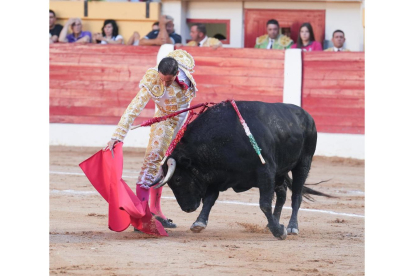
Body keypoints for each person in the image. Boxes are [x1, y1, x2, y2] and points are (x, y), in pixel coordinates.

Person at [107, 49, 198, 229]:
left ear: (177, 73)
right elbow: (134, 108)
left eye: (169, 80)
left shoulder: (182, 64)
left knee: (171, 166)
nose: (164, 83)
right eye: (162, 79)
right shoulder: (152, 80)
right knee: (152, 162)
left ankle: (156, 212)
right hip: (165, 122)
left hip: (185, 123)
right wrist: (117, 136)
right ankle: (141, 213)